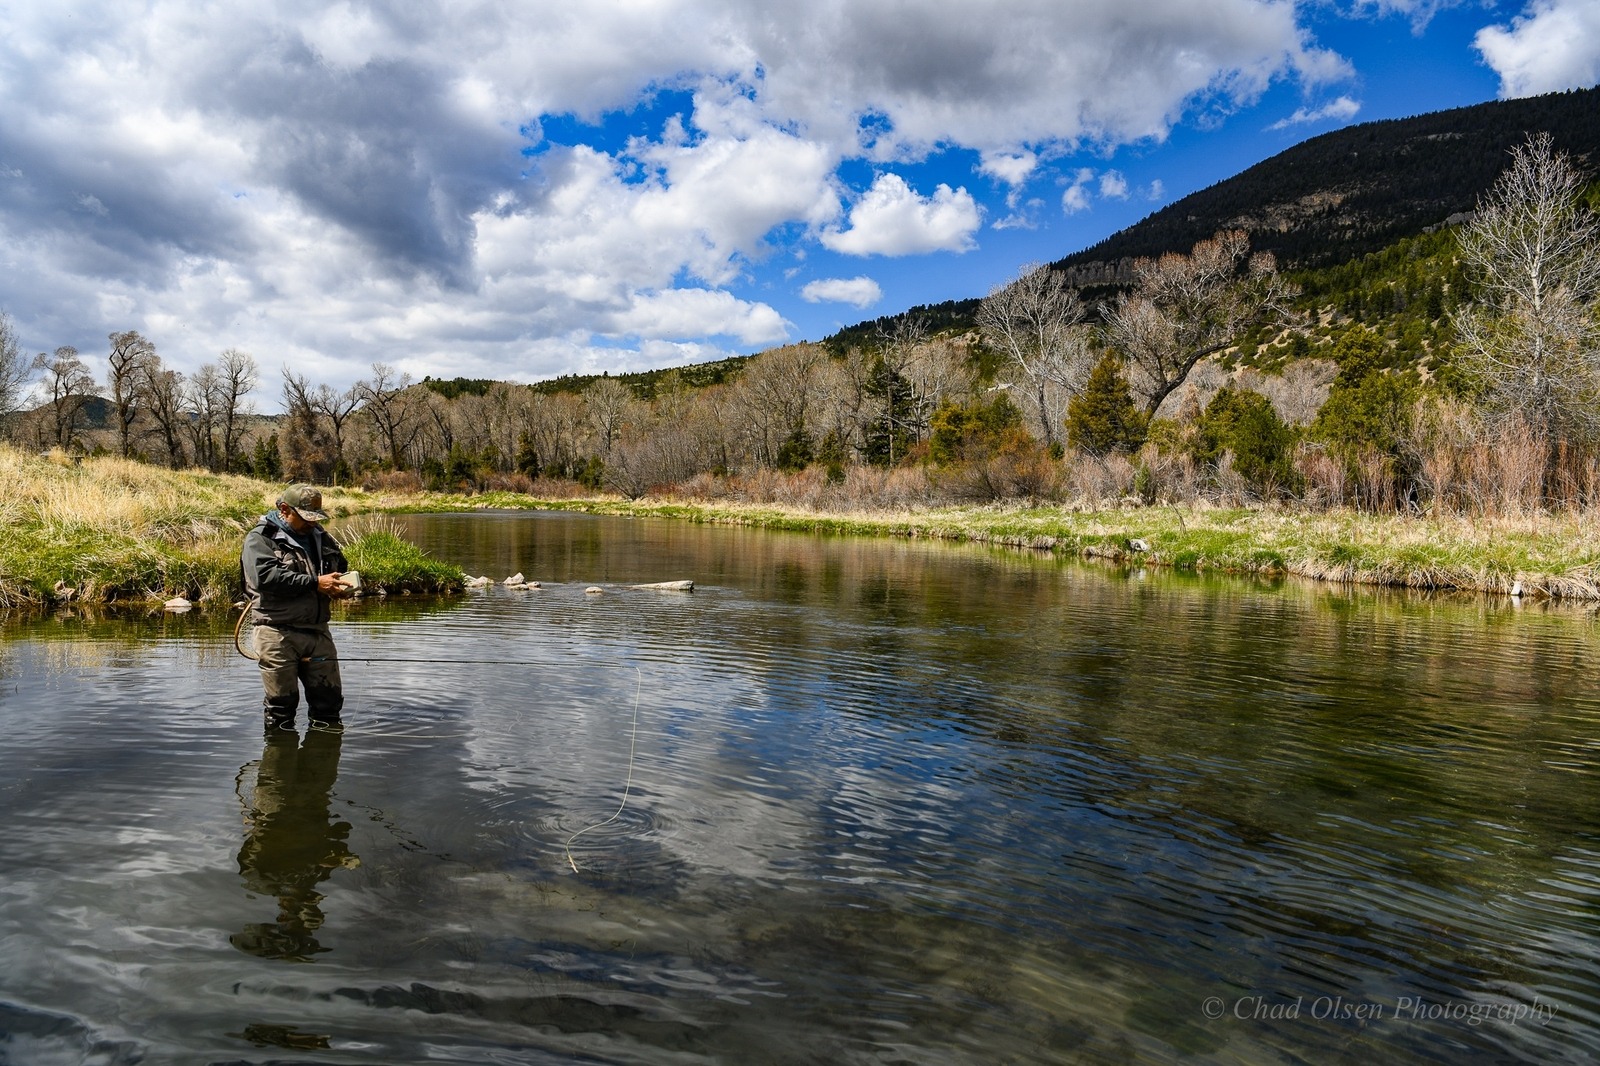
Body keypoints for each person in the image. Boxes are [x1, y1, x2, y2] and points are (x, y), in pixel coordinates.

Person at [240, 484, 350, 729]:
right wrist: (314, 583)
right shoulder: (260, 539)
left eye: (315, 518)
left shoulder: (320, 535)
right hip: (277, 633)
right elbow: (264, 578)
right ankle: (280, 761)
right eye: (305, 518)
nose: (312, 523)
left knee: (328, 706)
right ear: (284, 509)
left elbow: (339, 566)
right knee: (282, 710)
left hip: (318, 632)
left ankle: (322, 763)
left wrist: (339, 584)